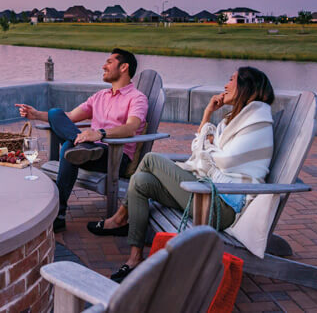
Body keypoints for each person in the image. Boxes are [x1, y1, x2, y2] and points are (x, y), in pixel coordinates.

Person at [93, 66, 275, 283]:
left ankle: (121, 216)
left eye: (231, 79)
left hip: (222, 207)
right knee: (141, 181)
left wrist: (207, 148)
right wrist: (207, 115)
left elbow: (223, 160)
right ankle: (135, 258)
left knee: (151, 159)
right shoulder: (231, 121)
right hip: (206, 192)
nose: (225, 85)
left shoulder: (258, 122)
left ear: (246, 86)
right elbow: (203, 152)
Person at [16, 49, 149, 233]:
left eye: (109, 62)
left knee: (70, 148)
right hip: (89, 152)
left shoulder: (137, 98)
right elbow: (69, 117)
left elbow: (131, 127)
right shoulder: (100, 96)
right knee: (57, 116)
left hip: (114, 157)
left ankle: (59, 214)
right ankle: (83, 147)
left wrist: (100, 134)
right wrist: (36, 114)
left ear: (124, 67)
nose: (104, 66)